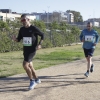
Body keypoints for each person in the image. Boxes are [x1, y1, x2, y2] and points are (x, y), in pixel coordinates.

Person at [13, 14, 44, 90]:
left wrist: (40, 44)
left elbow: (42, 35)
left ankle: (32, 81)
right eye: (22, 20)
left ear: (28, 19)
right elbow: (19, 39)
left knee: (25, 65)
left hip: (32, 49)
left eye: (24, 20)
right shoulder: (21, 29)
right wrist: (15, 39)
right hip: (25, 49)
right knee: (30, 66)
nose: (23, 22)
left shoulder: (33, 28)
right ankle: (37, 79)